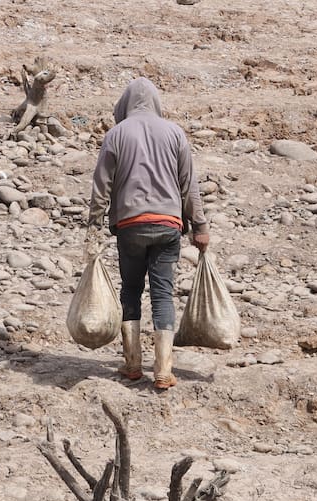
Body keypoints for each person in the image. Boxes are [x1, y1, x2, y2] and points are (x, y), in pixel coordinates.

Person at [86, 77, 209, 390]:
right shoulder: (174, 133)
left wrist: (94, 225)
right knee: (162, 294)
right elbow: (188, 185)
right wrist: (200, 226)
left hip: (129, 225)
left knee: (130, 290)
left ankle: (131, 364)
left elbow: (102, 185)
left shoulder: (116, 134)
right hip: (168, 225)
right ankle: (164, 369)